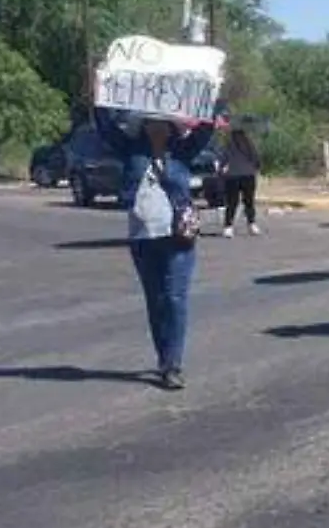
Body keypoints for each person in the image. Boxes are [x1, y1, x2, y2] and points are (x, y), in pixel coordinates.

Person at [95, 107, 220, 391]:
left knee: (175, 298)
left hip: (177, 235)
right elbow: (105, 127)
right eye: (151, 121)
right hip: (142, 237)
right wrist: (97, 96)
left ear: (172, 126)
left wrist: (214, 98)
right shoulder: (131, 150)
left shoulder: (182, 152)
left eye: (163, 122)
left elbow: (206, 129)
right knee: (156, 300)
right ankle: (164, 359)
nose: (157, 126)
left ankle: (173, 365)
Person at [220, 124, 263, 238]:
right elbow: (257, 159)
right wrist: (256, 169)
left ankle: (228, 227)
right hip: (248, 175)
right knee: (249, 202)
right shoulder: (249, 145)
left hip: (232, 176)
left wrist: (221, 170)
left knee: (232, 203)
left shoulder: (229, 145)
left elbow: (223, 159)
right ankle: (252, 225)